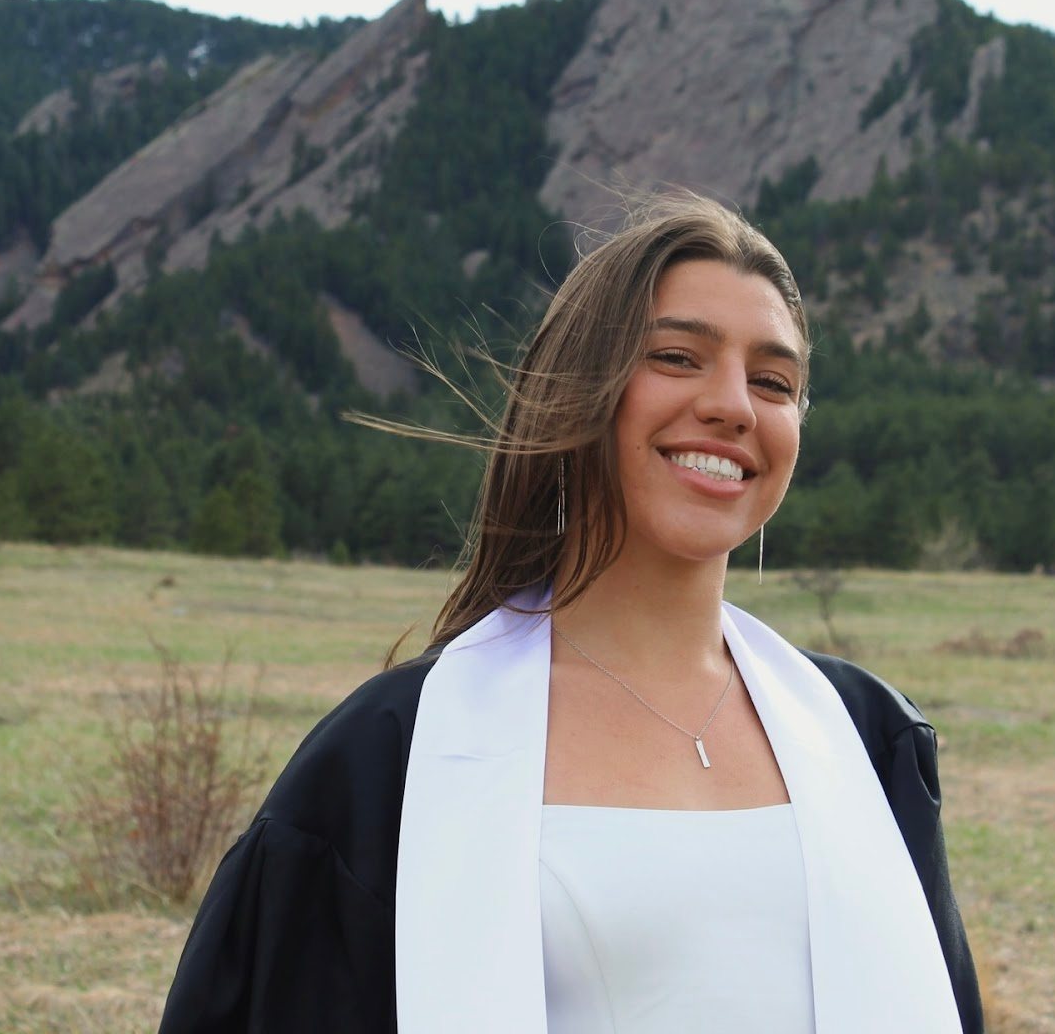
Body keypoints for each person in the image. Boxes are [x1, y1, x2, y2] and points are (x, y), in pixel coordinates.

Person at [158, 193, 983, 1033]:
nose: (735, 404)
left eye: (774, 381)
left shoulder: (867, 738)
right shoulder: (390, 758)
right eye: (676, 357)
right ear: (580, 388)